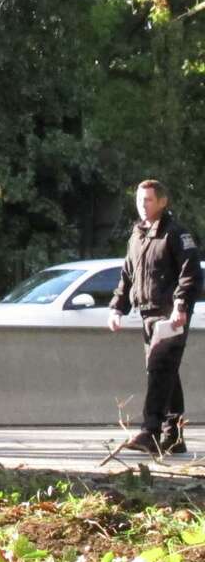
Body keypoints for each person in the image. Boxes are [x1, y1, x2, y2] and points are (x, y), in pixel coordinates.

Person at [109, 179, 202, 455]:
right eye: (139, 200)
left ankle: (150, 431)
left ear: (162, 202)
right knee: (166, 371)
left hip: (169, 316)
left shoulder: (175, 233)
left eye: (148, 200)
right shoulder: (138, 235)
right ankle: (173, 435)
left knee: (159, 369)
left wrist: (181, 305)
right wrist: (117, 307)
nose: (142, 205)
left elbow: (191, 273)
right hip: (147, 313)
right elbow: (128, 275)